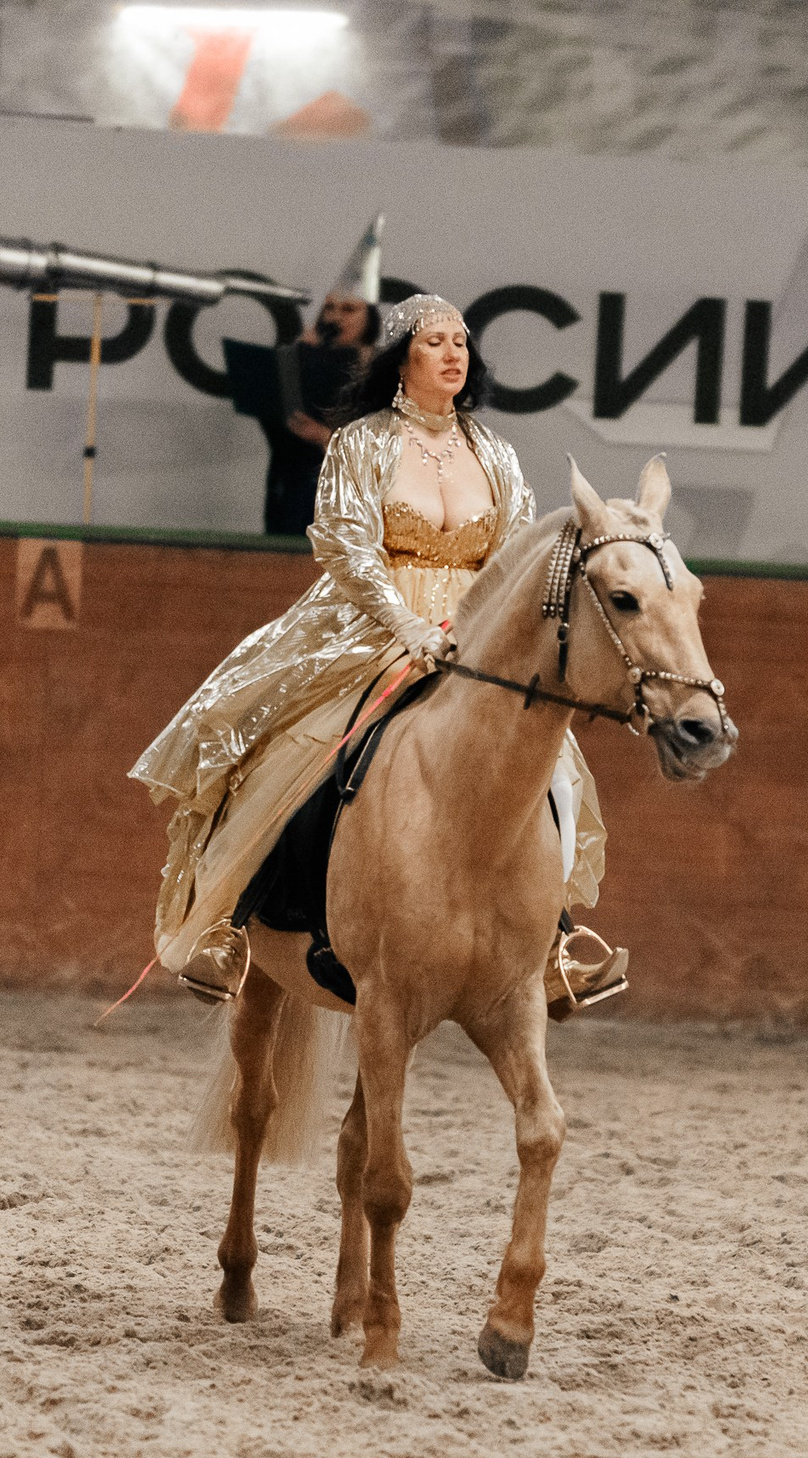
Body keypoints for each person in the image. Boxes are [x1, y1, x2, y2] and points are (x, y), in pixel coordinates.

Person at [132, 292, 625, 1015]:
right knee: (294, 751)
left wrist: (483, 633)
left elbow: (516, 554)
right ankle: (231, 925)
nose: (455, 354)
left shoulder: (494, 453)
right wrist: (406, 625)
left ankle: (553, 943)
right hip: (368, 625)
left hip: (473, 636)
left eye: (462, 341)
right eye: (435, 342)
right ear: (402, 358)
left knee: (552, 765)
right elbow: (347, 546)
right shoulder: (359, 443)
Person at [233, 218, 381, 537]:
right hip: (295, 488)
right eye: (329, 308)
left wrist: (326, 438)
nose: (336, 317)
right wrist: (296, 363)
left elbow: (395, 449)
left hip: (356, 502)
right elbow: (279, 422)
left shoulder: (386, 370)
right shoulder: (301, 357)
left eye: (348, 309)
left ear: (369, 316)